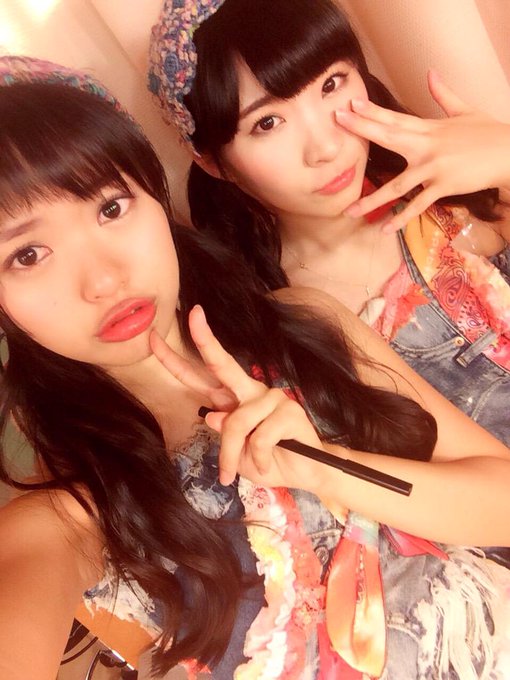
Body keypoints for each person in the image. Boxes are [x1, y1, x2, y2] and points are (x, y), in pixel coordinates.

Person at [1, 57, 510, 680]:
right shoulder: (73, 510)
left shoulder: (301, 324)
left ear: (155, 198)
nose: (104, 279)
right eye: (27, 254)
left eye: (111, 208)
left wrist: (325, 468)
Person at [148, 0, 510, 449]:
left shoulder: (454, 198)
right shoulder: (275, 330)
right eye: (267, 122)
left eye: (331, 84)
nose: (325, 147)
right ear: (214, 163)